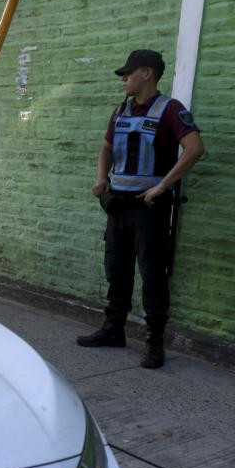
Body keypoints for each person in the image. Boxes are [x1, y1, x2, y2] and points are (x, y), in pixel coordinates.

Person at [78, 49, 205, 369]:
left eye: (128, 73)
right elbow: (106, 146)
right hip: (117, 206)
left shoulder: (171, 110)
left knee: (152, 275)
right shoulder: (120, 110)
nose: (124, 79)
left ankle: (153, 343)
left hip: (149, 210)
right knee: (116, 271)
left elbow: (195, 148)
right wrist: (100, 178)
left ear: (147, 73)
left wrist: (164, 185)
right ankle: (113, 330)